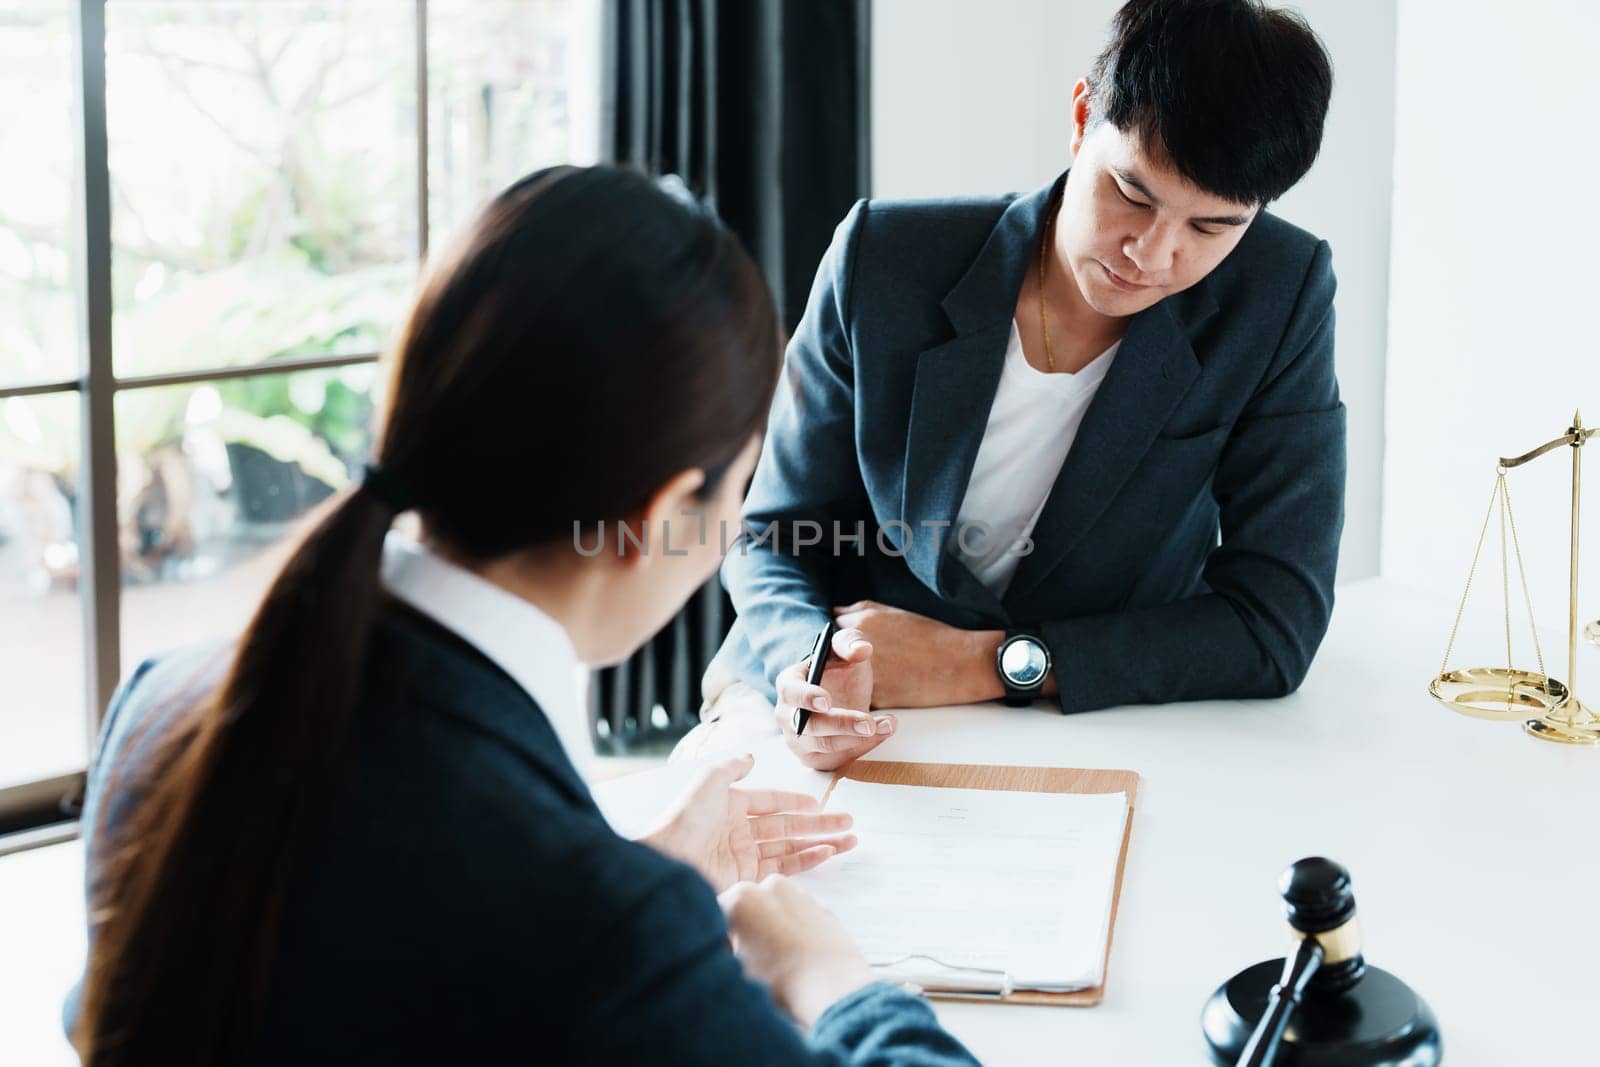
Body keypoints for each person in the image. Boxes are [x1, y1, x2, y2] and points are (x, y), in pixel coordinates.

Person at [67, 166, 978, 1066]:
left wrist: (641, 870)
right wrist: (837, 981)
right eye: (738, 488)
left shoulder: (163, 702)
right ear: (655, 521)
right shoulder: (595, 926)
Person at [681, 0, 1345, 770]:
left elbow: (1275, 621)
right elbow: (772, 532)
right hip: (846, 689)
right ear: (1080, 118)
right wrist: (815, 665)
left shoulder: (1280, 293)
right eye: (1132, 193)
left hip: (1092, 718)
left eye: (1212, 228)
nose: (1151, 254)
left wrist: (985, 662)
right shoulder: (884, 258)